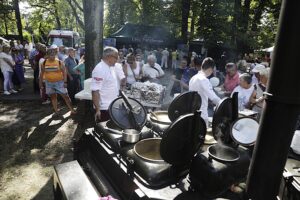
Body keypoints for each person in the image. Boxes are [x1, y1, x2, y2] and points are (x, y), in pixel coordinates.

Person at [39, 47, 75, 116]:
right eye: (50, 54)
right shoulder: (43, 63)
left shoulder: (59, 62)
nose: (52, 56)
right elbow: (41, 74)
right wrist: (40, 83)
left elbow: (64, 72)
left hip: (60, 82)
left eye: (53, 54)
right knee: (53, 97)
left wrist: (65, 82)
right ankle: (56, 111)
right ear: (47, 55)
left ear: (55, 54)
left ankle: (72, 110)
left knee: (66, 96)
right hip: (49, 83)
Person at [91, 47, 120, 122]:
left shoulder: (110, 67)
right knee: (103, 130)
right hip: (103, 108)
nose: (117, 60)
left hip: (111, 106)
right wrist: (98, 110)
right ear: (108, 57)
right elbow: (95, 91)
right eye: (116, 58)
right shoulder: (100, 69)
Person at [189, 57, 221, 126]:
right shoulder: (204, 80)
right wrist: (223, 104)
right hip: (201, 115)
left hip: (191, 113)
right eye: (212, 70)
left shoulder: (193, 77)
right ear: (210, 69)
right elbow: (214, 98)